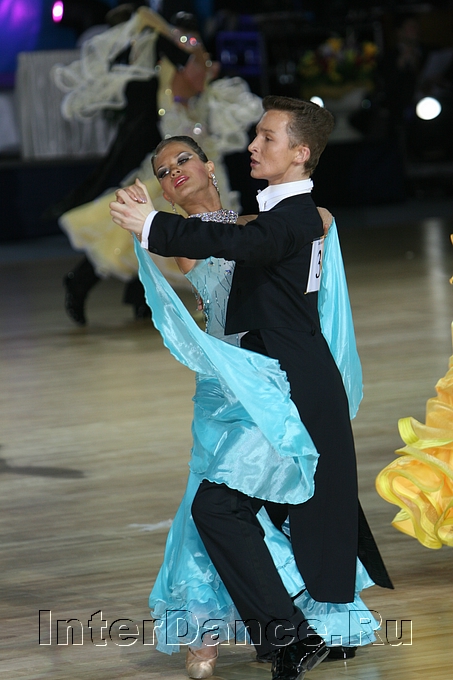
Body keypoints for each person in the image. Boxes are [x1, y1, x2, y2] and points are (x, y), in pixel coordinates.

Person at [111, 99, 393, 680]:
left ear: (209, 165)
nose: (174, 172)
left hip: (274, 383)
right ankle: (262, 631)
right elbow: (228, 241)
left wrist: (154, 223)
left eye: (183, 160)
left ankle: (302, 630)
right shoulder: (238, 229)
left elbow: (255, 241)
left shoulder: (274, 222)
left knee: (265, 505)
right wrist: (152, 226)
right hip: (237, 385)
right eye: (163, 171)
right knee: (238, 505)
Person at [51, 7, 262, 325]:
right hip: (169, 180)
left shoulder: (201, 93)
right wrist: (176, 36)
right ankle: (82, 283)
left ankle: (148, 298)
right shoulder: (166, 87)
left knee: (188, 235)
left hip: (203, 177)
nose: (208, 67)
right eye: (199, 62)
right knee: (130, 235)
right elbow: (145, 15)